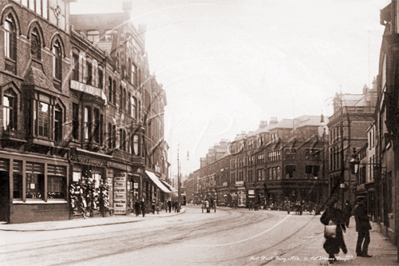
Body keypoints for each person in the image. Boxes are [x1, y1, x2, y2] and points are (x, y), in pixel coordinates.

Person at [320, 198, 347, 263]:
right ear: (334, 204)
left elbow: (322, 219)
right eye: (336, 203)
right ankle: (332, 255)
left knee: (332, 242)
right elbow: (344, 218)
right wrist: (328, 222)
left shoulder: (331, 210)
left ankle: (332, 255)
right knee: (334, 242)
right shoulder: (333, 210)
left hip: (331, 229)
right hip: (334, 229)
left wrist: (327, 222)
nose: (337, 204)